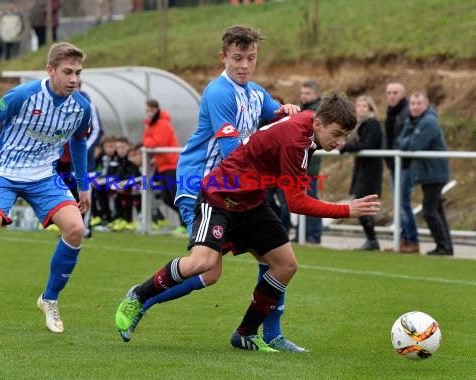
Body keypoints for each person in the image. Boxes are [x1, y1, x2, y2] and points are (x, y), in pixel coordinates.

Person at [115, 93, 381, 352]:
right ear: (319, 123)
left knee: (285, 265)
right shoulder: (296, 141)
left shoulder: (310, 124)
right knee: (204, 266)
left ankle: (246, 334)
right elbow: (297, 202)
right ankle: (139, 296)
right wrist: (347, 209)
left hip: (251, 202)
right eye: (336, 134)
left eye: (344, 136)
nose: (340, 142)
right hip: (220, 197)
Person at [120, 25, 304, 352]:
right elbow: (232, 151)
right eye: (237, 58)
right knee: (207, 269)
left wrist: (286, 113)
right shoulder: (219, 92)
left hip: (237, 193)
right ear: (223, 57)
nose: (244, 65)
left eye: (250, 58)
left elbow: (274, 117)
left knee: (278, 259)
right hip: (201, 187)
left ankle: (268, 333)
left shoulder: (256, 92)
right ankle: (141, 298)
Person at [0, 42, 92, 333]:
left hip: (44, 176)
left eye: (78, 72)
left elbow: (79, 142)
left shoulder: (82, 107)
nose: (74, 79)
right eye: (68, 72)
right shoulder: (24, 95)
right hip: (4, 171)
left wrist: (83, 185)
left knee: (76, 229)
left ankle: (49, 299)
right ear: (50, 70)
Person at [398, 92, 453, 256]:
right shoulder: (413, 121)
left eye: (419, 103)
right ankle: (446, 246)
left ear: (426, 104)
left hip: (434, 173)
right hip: (428, 173)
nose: (415, 107)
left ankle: (443, 246)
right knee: (436, 209)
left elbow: (414, 145)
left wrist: (409, 139)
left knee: (429, 211)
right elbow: (401, 143)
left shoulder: (428, 122)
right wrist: (409, 136)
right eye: (413, 104)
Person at [340, 95, 383, 250]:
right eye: (359, 106)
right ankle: (371, 240)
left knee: (363, 204)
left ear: (370, 108)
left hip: (371, 171)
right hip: (362, 168)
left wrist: (344, 147)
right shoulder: (360, 125)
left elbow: (366, 145)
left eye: (365, 106)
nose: (361, 109)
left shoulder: (373, 124)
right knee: (362, 203)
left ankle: (372, 240)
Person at [142, 99, 186, 234]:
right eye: (147, 111)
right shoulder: (152, 126)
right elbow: (146, 140)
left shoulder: (163, 124)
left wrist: (149, 140)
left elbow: (155, 142)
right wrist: (148, 140)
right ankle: (186, 222)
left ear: (157, 110)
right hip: (163, 166)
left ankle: (186, 224)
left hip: (172, 165)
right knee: (166, 198)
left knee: (174, 197)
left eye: (151, 110)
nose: (149, 114)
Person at [384, 82, 419, 253]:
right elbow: (389, 138)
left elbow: (403, 140)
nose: (391, 95)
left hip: (404, 165)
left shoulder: (406, 112)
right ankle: (404, 239)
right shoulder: (391, 111)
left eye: (395, 92)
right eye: (389, 92)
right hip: (394, 164)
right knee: (399, 203)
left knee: (403, 203)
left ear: (403, 94)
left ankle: (411, 240)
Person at [296, 80, 323, 244]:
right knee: (300, 198)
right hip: (301, 164)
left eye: (307, 93)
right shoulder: (303, 109)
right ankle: (303, 233)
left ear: (316, 94)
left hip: (311, 165)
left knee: (311, 197)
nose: (304, 96)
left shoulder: (318, 111)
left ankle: (314, 234)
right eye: (302, 93)